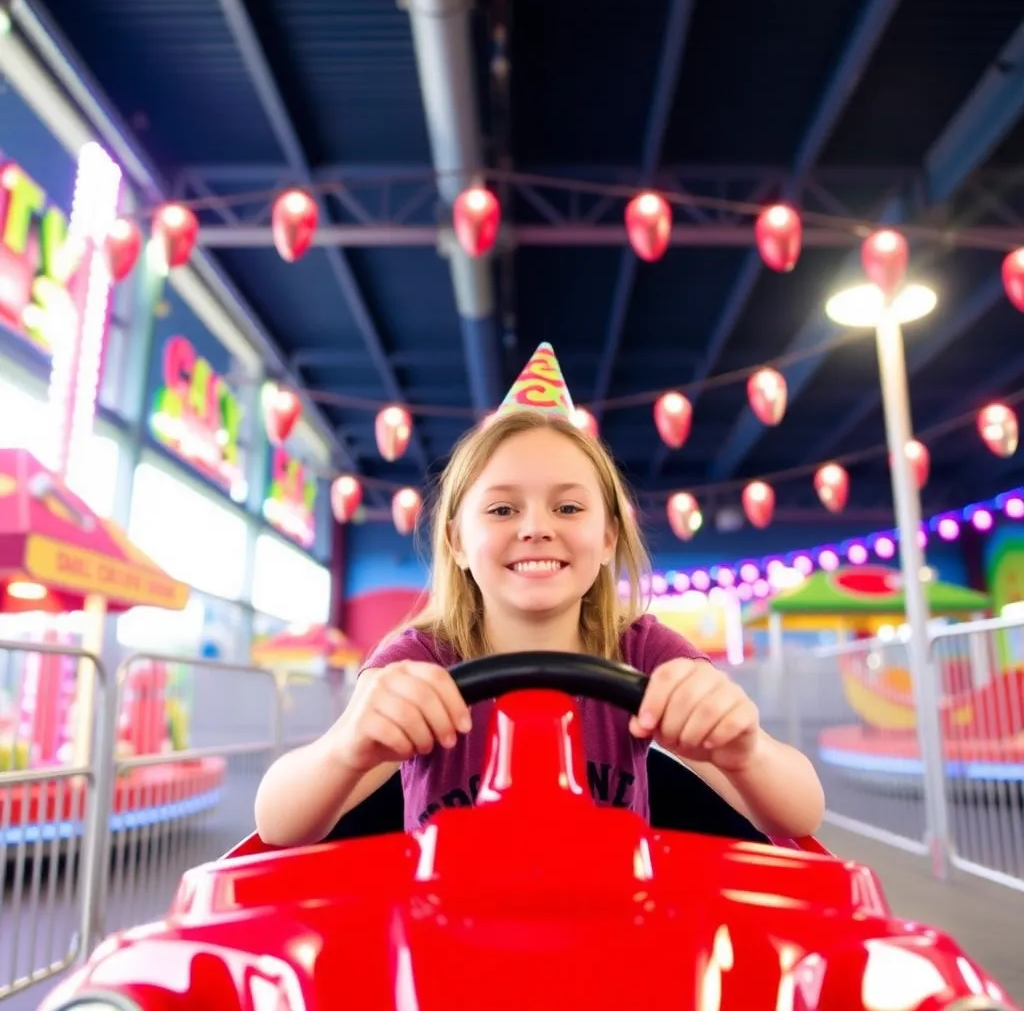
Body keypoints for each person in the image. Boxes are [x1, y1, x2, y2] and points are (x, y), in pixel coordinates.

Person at [254, 343, 825, 848]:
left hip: (611, 932)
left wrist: (746, 751)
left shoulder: (643, 652)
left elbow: (800, 814)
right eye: (502, 509)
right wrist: (345, 748)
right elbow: (278, 824)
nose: (535, 528)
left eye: (568, 507)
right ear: (456, 541)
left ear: (606, 538)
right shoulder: (420, 660)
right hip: (448, 941)